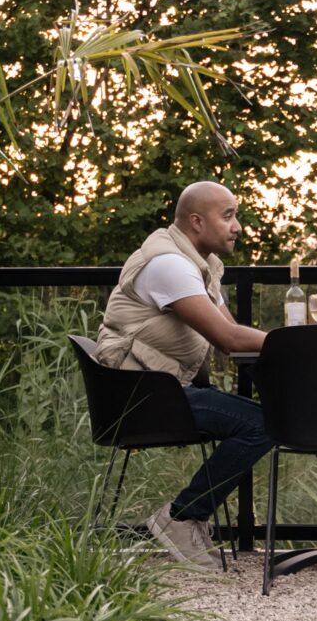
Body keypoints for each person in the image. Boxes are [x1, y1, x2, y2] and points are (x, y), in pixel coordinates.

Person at [96, 181, 271, 569]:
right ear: (196, 221)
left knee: (264, 420)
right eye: (228, 216)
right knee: (263, 425)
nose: (237, 226)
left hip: (158, 389)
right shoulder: (170, 265)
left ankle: (186, 517)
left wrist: (288, 346)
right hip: (138, 398)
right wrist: (298, 343)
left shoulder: (200, 264)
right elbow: (228, 338)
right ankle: (182, 517)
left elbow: (233, 332)